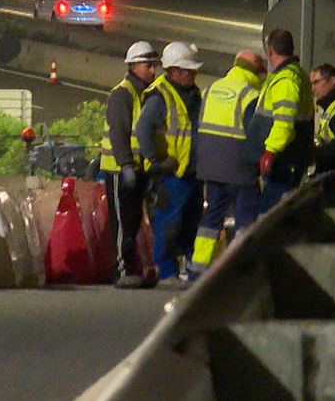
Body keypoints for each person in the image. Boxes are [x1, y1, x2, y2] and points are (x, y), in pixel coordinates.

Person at [187, 50, 265, 282]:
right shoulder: (250, 95)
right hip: (240, 169)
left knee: (211, 218)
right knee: (246, 220)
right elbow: (255, 135)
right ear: (255, 71)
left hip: (211, 168)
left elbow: (198, 127)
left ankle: (197, 271)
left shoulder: (211, 89)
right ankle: (242, 272)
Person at [133, 41, 204, 290]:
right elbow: (142, 130)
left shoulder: (193, 93)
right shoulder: (160, 96)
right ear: (173, 70)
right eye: (187, 70)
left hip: (192, 172)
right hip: (172, 174)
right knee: (169, 223)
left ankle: (191, 270)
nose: (192, 74)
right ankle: (167, 272)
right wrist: (158, 161)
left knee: (191, 223)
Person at [98, 41, 160, 289]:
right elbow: (118, 134)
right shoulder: (122, 94)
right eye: (148, 66)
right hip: (119, 169)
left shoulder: (143, 93)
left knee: (132, 222)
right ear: (134, 66)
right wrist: (125, 165)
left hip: (136, 169)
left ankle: (130, 267)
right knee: (122, 222)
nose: (153, 71)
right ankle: (122, 270)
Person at [247, 29, 315, 214]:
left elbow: (284, 124)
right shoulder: (294, 74)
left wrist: (270, 152)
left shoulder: (286, 79)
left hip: (283, 161)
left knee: (270, 215)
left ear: (269, 51)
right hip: (289, 158)